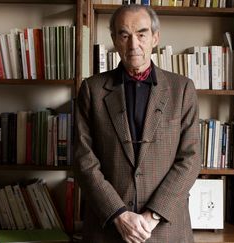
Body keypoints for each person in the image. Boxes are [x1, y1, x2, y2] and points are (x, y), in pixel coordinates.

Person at [74, 4, 201, 243]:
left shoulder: (182, 89)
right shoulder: (91, 89)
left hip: (165, 229)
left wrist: (151, 217)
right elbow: (83, 160)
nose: (134, 45)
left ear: (155, 37)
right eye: (124, 35)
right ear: (114, 39)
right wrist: (119, 215)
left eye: (141, 34)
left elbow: (190, 159)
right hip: (107, 229)